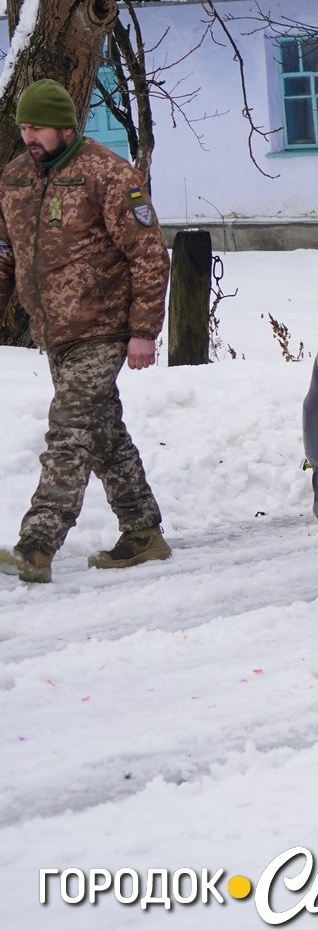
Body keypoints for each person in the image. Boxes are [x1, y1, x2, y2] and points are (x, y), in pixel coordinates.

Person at [0, 80, 172, 584]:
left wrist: (143, 330)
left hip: (102, 327)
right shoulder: (13, 180)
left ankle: (37, 542)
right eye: (24, 127)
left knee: (69, 431)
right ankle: (143, 531)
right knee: (102, 432)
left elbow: (148, 254)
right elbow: (5, 258)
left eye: (38, 128)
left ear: (65, 126)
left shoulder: (108, 174)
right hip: (55, 332)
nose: (30, 137)